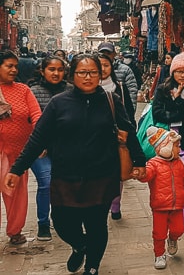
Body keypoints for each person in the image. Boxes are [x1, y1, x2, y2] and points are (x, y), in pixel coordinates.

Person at [4, 53, 145, 275]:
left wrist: (140, 161)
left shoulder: (111, 101)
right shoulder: (58, 103)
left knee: (97, 224)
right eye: (82, 72)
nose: (88, 77)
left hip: (102, 174)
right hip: (65, 176)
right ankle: (80, 245)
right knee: (61, 222)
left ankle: (92, 266)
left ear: (100, 74)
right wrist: (17, 169)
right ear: (73, 75)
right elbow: (37, 139)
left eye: (93, 72)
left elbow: (129, 131)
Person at [151, 51, 184, 236]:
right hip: (166, 140)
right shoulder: (163, 89)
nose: (182, 75)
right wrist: (181, 109)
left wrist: (178, 101)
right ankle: (169, 212)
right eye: (179, 71)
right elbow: (157, 113)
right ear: (173, 71)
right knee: (167, 178)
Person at [0, 50, 43, 245]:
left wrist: (41, 139)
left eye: (15, 66)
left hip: (18, 152)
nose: (14, 70)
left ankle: (15, 231)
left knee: (17, 193)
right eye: (9, 66)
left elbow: (36, 115)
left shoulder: (23, 90)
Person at [27, 55, 70, 241]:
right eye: (52, 69)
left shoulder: (71, 90)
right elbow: (28, 120)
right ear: (42, 71)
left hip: (66, 148)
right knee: (46, 183)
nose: (56, 73)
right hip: (41, 149)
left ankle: (65, 220)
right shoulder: (33, 92)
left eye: (60, 70)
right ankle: (43, 223)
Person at [138, 127, 184, 270]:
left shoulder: (180, 162)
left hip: (177, 205)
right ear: (165, 147)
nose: (179, 150)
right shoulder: (153, 164)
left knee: (179, 229)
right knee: (159, 233)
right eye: (176, 147)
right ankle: (159, 254)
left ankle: (173, 239)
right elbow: (146, 176)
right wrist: (139, 172)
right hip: (160, 206)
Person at [98, 52, 136, 220]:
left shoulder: (118, 86)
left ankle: (115, 205)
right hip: (95, 139)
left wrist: (130, 134)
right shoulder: (86, 88)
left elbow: (128, 111)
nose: (102, 69)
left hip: (116, 137)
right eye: (99, 65)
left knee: (117, 173)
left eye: (106, 65)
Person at [97, 42, 138, 106]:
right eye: (102, 53)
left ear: (114, 54)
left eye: (108, 53)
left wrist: (129, 111)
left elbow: (132, 91)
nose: (105, 55)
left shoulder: (125, 70)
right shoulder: (93, 70)